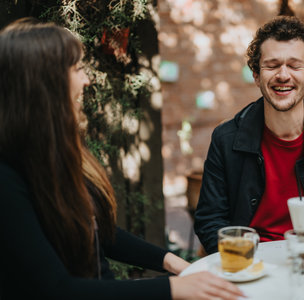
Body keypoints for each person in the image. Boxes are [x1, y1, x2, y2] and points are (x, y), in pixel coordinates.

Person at [0, 18, 244, 300]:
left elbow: (98, 232)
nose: (87, 79)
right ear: (45, 83)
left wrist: (171, 261)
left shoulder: (54, 153)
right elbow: (57, 290)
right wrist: (173, 288)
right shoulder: (7, 179)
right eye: (78, 68)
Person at [194, 16, 304, 254]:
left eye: (294, 65)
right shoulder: (226, 139)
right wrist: (246, 260)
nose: (283, 75)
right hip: (249, 265)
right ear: (257, 76)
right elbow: (210, 221)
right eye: (272, 65)